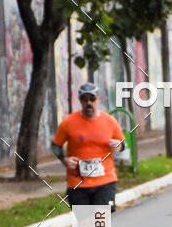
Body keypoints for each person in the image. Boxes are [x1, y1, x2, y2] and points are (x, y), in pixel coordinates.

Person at [52, 82, 124, 210]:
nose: (88, 103)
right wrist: (64, 159)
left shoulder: (109, 121)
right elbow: (55, 145)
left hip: (105, 181)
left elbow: (122, 143)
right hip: (78, 183)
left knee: (100, 226)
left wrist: (119, 146)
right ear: (80, 100)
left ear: (98, 99)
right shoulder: (68, 123)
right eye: (85, 99)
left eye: (92, 99)